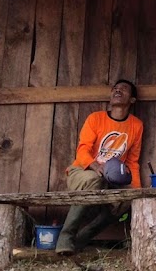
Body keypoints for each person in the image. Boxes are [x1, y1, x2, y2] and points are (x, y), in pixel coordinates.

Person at [55, 79, 143, 256]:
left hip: (111, 179)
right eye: (115, 88)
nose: (117, 91)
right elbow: (82, 150)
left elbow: (132, 161)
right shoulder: (95, 119)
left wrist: (136, 190)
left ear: (132, 99)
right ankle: (65, 239)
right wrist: (95, 165)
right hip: (82, 171)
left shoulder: (136, 125)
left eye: (123, 89)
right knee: (94, 180)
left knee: (126, 200)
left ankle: (81, 239)